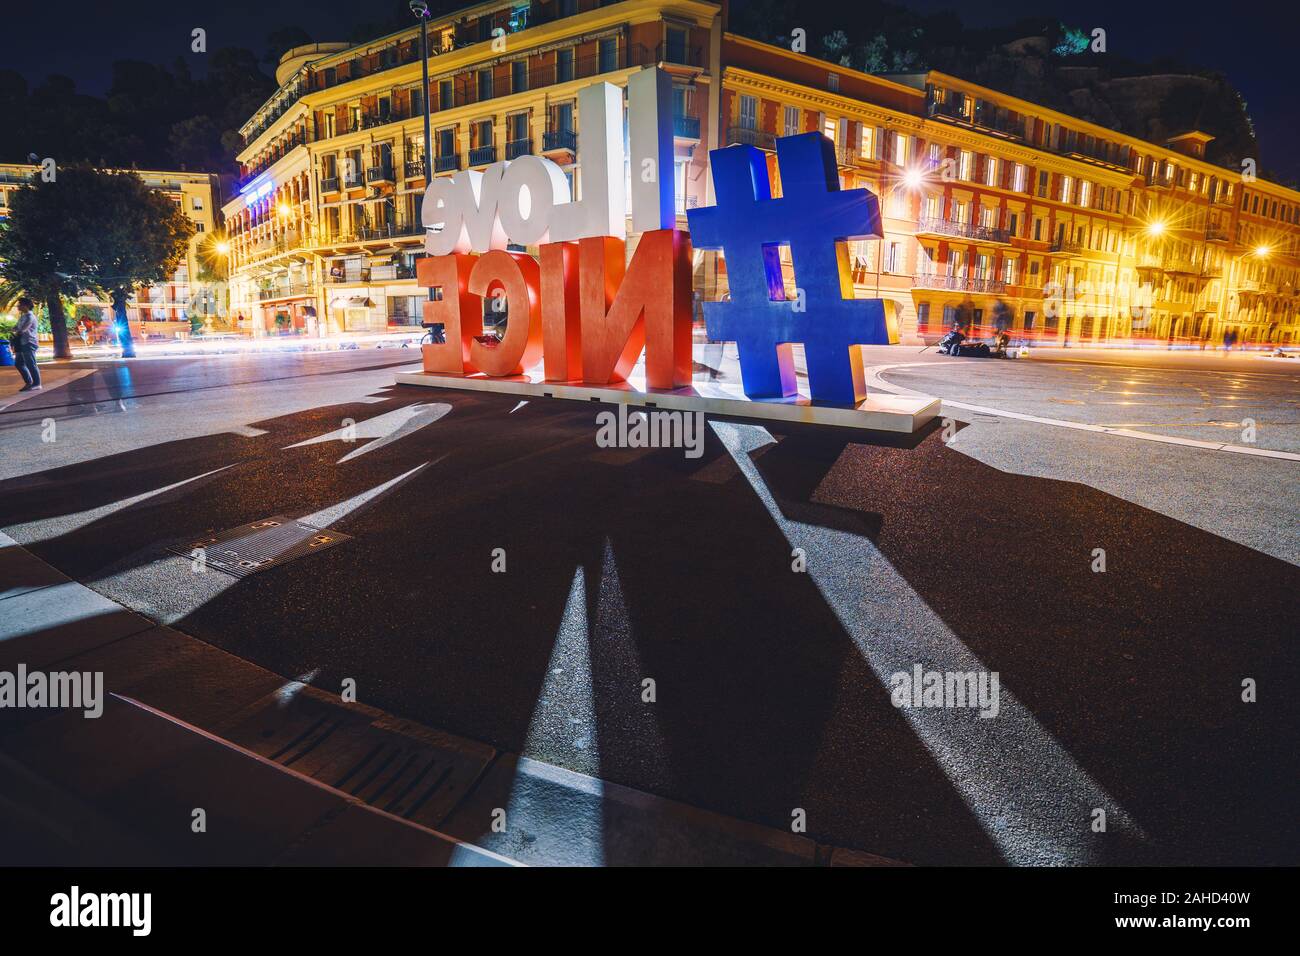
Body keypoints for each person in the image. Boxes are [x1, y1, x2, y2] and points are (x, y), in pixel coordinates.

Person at [11, 297, 41, 391]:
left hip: (29, 342)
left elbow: (22, 330)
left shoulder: (30, 317)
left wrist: (15, 332)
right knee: (19, 364)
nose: (18, 306)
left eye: (20, 304)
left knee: (31, 364)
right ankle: (29, 382)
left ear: (26, 306)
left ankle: (37, 384)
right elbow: (16, 327)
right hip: (21, 343)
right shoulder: (23, 316)